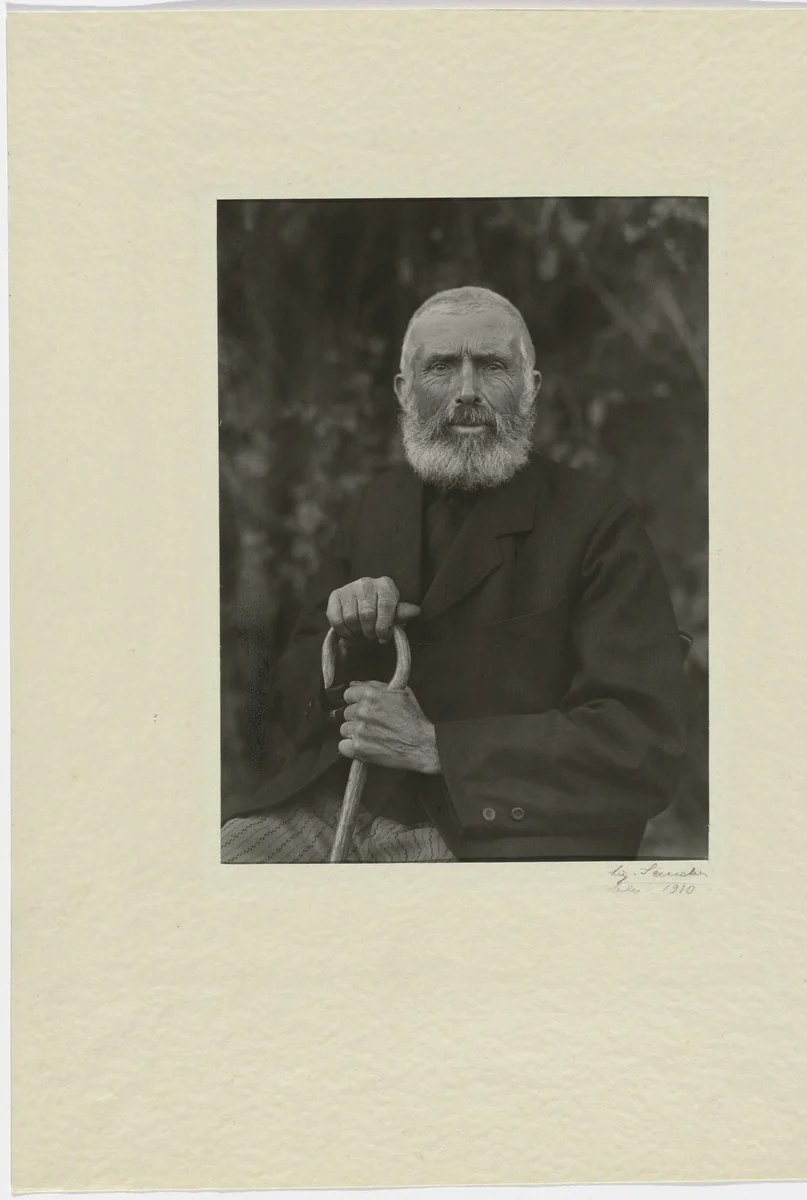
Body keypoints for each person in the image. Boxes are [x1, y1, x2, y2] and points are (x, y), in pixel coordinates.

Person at [221, 286, 689, 863]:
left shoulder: (596, 521)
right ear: (404, 390)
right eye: (441, 367)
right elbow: (294, 702)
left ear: (530, 387)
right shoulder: (375, 507)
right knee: (221, 871)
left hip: (488, 838)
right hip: (341, 806)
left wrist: (439, 747)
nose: (467, 391)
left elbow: (641, 744)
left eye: (492, 366)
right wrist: (341, 640)